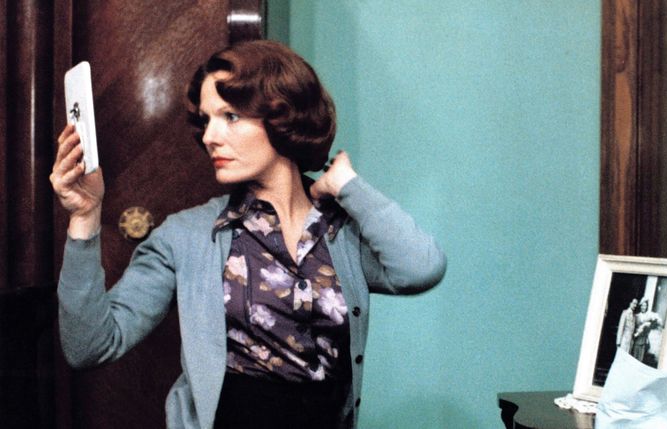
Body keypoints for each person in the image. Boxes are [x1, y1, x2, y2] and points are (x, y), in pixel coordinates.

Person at [50, 40, 446, 429]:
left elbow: (420, 268)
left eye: (231, 116)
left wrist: (347, 185)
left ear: (283, 116)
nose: (210, 136)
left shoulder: (340, 232)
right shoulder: (186, 237)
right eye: (206, 120)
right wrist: (85, 217)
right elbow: (89, 345)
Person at [631, 298, 663, 367]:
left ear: (647, 307)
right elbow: (633, 327)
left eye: (645, 306)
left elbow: (657, 322)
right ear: (640, 306)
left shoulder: (648, 316)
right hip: (636, 340)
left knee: (640, 361)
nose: (643, 307)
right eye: (642, 305)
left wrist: (649, 323)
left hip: (644, 341)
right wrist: (637, 331)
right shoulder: (637, 316)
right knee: (633, 359)